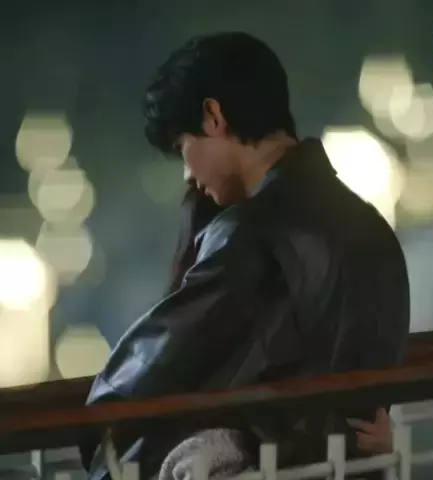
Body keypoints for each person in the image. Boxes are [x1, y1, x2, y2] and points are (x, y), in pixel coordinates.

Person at [81, 32, 409, 479]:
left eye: (182, 147)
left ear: (213, 116)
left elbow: (163, 356)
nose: (189, 173)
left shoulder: (249, 232)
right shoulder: (372, 227)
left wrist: (96, 419)